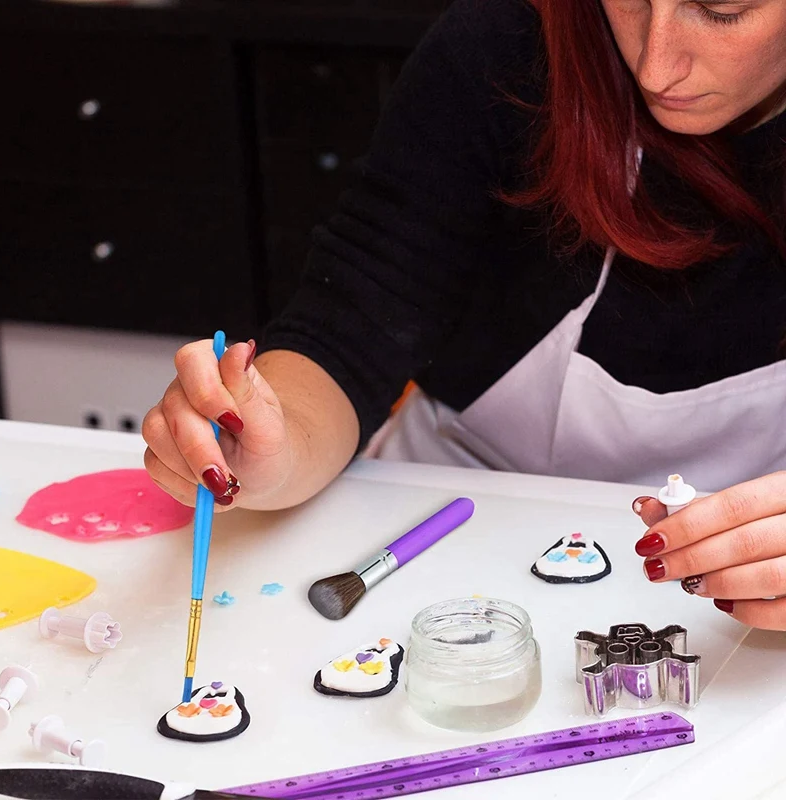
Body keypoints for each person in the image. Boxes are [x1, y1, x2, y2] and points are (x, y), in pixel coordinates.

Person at [143, 0, 786, 630]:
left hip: (738, 576)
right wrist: (275, 445)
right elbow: (351, 324)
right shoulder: (506, 44)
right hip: (443, 516)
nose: (655, 67)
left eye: (722, 10)